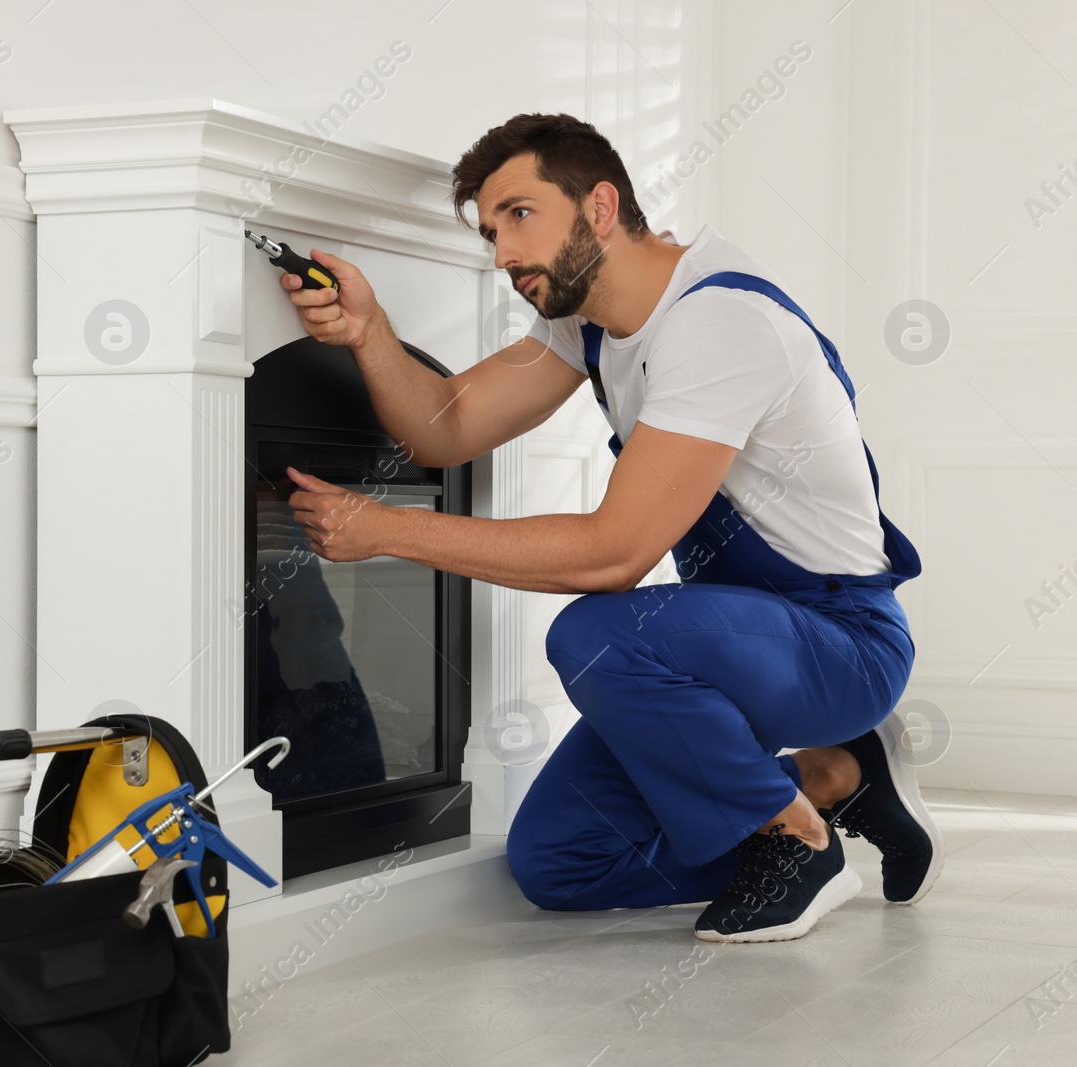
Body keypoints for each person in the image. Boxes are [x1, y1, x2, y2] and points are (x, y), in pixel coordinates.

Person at [277, 112, 943, 942]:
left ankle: (799, 842)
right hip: (738, 651)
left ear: (598, 205)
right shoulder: (584, 320)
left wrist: (390, 531)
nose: (502, 255)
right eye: (490, 232)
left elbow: (617, 553)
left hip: (842, 644)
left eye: (519, 216)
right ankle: (836, 777)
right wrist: (369, 333)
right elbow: (446, 424)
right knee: (562, 859)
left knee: (596, 632)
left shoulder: (718, 321)